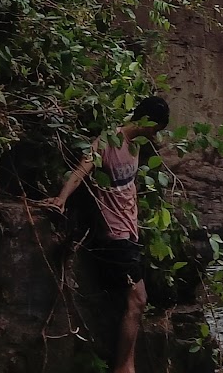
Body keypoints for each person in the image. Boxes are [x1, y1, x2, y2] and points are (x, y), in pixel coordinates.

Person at [39, 96, 171, 373]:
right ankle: (122, 368)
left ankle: (129, 364)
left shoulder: (137, 146)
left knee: (134, 301)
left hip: (130, 233)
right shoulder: (109, 140)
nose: (155, 136)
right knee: (138, 299)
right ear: (145, 121)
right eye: (155, 129)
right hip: (113, 234)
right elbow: (82, 169)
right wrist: (62, 198)